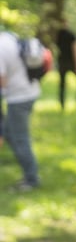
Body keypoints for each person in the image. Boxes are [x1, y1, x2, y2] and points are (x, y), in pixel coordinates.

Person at [0, 28, 41, 191]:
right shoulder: (8, 37)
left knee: (19, 138)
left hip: (19, 97)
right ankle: (29, 172)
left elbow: (2, 80)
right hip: (30, 90)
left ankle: (31, 179)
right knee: (10, 134)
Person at [56, 19, 76, 111]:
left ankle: (63, 105)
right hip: (70, 62)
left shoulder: (59, 35)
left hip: (63, 62)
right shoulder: (68, 35)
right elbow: (75, 50)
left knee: (62, 84)